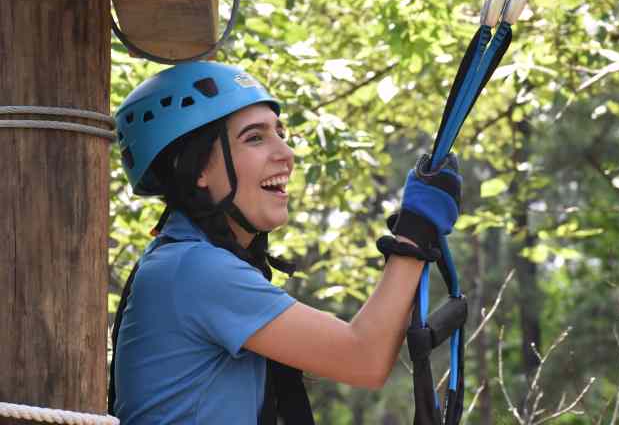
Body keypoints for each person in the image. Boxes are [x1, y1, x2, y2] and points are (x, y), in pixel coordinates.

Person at [110, 61, 462, 425]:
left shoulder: (186, 259)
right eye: (255, 138)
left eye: (280, 133)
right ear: (196, 167)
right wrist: (414, 235)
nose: (286, 154)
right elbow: (364, 358)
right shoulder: (193, 268)